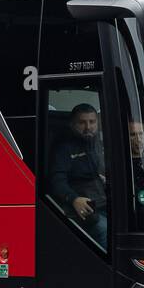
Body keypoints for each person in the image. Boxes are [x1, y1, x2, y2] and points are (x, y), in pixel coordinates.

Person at [48, 103, 107, 244]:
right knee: (105, 230)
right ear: (72, 124)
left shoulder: (101, 144)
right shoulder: (64, 148)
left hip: (104, 201)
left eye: (92, 122)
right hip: (83, 207)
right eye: (82, 122)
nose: (88, 127)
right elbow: (57, 180)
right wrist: (73, 199)